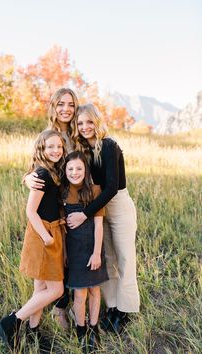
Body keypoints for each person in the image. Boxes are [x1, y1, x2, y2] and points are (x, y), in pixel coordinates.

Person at [67, 103, 140, 334]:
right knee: (106, 258)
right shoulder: (83, 151)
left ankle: (126, 310)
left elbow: (110, 189)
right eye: (80, 123)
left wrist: (84, 215)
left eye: (89, 122)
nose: (85, 127)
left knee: (125, 257)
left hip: (117, 205)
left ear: (97, 122)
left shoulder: (109, 146)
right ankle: (113, 306)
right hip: (97, 207)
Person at [0, 130, 66, 351]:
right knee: (56, 290)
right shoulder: (42, 174)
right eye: (50, 147)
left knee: (40, 287)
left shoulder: (53, 171)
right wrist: (47, 237)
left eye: (59, 147)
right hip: (44, 234)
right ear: (41, 150)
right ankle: (11, 322)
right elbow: (30, 211)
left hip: (51, 231)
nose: (55, 150)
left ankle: (33, 331)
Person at [25, 87, 78, 329]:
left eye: (71, 104)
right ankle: (34, 319)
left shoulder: (80, 132)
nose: (66, 109)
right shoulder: (48, 137)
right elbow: (37, 171)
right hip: (50, 218)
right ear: (53, 107)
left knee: (64, 264)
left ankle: (35, 325)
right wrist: (27, 178)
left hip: (71, 208)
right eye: (61, 104)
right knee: (48, 280)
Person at [62, 151, 108, 352]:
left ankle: (94, 327)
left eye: (79, 168)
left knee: (94, 290)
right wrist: (64, 254)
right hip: (74, 250)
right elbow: (62, 228)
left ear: (86, 170)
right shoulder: (62, 192)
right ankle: (81, 329)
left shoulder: (95, 190)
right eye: (70, 168)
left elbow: (99, 225)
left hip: (92, 248)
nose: (74, 172)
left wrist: (97, 253)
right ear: (64, 171)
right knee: (79, 293)